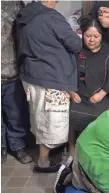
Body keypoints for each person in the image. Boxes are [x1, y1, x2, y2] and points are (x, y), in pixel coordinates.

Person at [15, 0, 82, 172]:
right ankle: (44, 162)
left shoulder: (25, 15)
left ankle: (44, 157)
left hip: (31, 75)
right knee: (53, 122)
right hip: (52, 78)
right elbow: (76, 44)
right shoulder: (52, 17)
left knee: (39, 118)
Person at [69, 17, 109, 155]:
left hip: (105, 95)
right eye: (88, 36)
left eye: (96, 36)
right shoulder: (76, 50)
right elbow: (67, 71)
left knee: (107, 116)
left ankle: (103, 147)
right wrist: (72, 92)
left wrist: (102, 93)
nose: (92, 40)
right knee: (72, 114)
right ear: (82, 34)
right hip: (80, 95)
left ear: (101, 36)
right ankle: (73, 147)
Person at [1, 1, 32, 164]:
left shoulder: (14, 4)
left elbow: (25, 33)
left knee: (15, 113)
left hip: (11, 70)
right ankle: (1, 147)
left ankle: (17, 146)